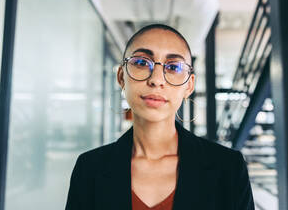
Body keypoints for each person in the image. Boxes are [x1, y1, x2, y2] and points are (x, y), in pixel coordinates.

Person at [65, 24, 255, 210]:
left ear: (189, 86)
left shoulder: (228, 169)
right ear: (122, 77)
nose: (156, 80)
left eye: (173, 67)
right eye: (141, 63)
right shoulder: (89, 168)